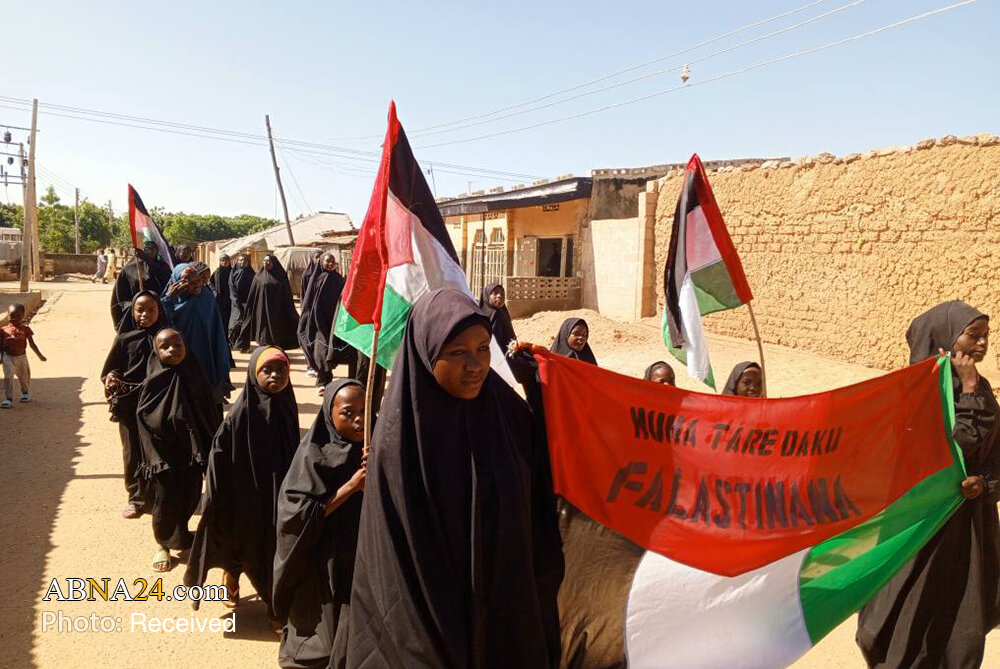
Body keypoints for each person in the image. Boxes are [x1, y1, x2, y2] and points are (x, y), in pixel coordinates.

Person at [344, 288, 563, 669]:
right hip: (428, 617)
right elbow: (395, 565)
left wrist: (539, 390)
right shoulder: (400, 441)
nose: (475, 365)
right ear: (427, 353)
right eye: (458, 352)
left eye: (482, 349)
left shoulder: (508, 416)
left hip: (503, 608)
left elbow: (546, 481)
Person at [857, 300, 1000, 669]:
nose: (982, 343)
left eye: (986, 335)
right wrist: (968, 390)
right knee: (902, 607)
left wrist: (985, 484)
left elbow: (992, 453)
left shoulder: (982, 390)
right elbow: (956, 446)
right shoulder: (918, 392)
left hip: (966, 529)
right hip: (922, 523)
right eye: (973, 335)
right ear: (945, 337)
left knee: (958, 617)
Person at [185, 346, 298, 629]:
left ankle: (274, 608)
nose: (275, 375)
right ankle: (234, 577)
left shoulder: (287, 405)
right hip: (243, 496)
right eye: (267, 370)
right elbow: (219, 455)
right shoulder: (240, 414)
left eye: (281, 370)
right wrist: (216, 495)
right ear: (253, 374)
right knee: (240, 543)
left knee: (272, 548)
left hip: (277, 493)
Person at [274, 379, 367, 669]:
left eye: (364, 411)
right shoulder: (313, 455)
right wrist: (351, 487)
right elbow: (296, 514)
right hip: (322, 552)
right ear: (330, 413)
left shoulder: (374, 446)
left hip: (362, 547)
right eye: (348, 413)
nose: (359, 419)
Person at [136, 328, 221, 572]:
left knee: (190, 494)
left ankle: (181, 535)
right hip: (164, 453)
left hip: (192, 452)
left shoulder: (196, 376)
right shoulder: (153, 382)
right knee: (165, 500)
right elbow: (144, 418)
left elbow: (209, 412)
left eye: (178, 345)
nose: (172, 350)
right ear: (156, 351)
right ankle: (163, 544)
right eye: (165, 347)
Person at [101, 291, 168, 518]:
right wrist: (111, 377)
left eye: (151, 310)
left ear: (159, 311)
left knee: (159, 450)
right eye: (140, 310)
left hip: (159, 404)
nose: (145, 314)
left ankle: (160, 495)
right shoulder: (124, 340)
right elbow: (110, 369)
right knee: (132, 451)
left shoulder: (167, 338)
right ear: (132, 311)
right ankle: (136, 497)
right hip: (130, 403)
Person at [161, 262, 233, 403]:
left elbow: (217, 333)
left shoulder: (207, 299)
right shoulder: (170, 302)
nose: (197, 285)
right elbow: (162, 326)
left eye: (198, 280)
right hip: (180, 360)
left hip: (205, 360)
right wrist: (168, 299)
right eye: (190, 282)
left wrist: (222, 364)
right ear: (177, 283)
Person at [302, 253, 348, 386]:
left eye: (332, 261)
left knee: (331, 349)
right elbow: (308, 302)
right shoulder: (315, 279)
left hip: (334, 320)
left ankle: (325, 377)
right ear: (321, 262)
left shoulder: (338, 279)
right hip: (318, 321)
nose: (330, 264)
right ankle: (323, 380)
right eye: (328, 261)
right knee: (321, 350)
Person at [238, 254, 300, 351]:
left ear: (273, 263)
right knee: (263, 331)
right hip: (261, 310)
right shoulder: (258, 277)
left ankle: (275, 349)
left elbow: (287, 294)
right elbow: (253, 295)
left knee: (275, 330)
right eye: (264, 261)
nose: (265, 263)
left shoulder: (281, 276)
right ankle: (264, 348)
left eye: (268, 261)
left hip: (276, 310)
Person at [110, 242, 172, 326]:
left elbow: (167, 283)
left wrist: (148, 260)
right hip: (136, 315)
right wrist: (135, 306)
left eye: (152, 248)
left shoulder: (163, 267)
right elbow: (120, 296)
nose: (149, 250)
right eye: (146, 248)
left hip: (158, 313)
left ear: (157, 251)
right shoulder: (129, 269)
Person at [1, 304, 46, 409]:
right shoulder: (3, 330)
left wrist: (40, 356)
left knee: (24, 377)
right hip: (7, 356)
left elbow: (32, 344)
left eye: (18, 316)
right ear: (8, 315)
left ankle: (25, 393)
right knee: (8, 376)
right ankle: (8, 399)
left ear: (22, 316)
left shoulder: (25, 329)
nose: (14, 318)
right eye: (12, 315)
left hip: (21, 357)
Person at [297, 250, 329, 375]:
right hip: (309, 312)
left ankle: (321, 366)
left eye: (320, 258)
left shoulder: (331, 276)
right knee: (304, 335)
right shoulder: (307, 275)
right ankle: (310, 364)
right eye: (316, 257)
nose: (317, 260)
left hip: (324, 314)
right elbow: (304, 295)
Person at [228, 254, 255, 352]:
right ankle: (231, 344)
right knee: (235, 324)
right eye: (240, 260)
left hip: (248, 303)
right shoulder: (233, 273)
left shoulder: (251, 273)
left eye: (244, 260)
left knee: (246, 325)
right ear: (237, 261)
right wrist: (236, 302)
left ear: (248, 262)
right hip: (236, 303)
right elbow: (232, 288)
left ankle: (244, 346)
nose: (242, 262)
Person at [480, 282, 517, 352]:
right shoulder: (480, 316)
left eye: (502, 294)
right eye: (495, 293)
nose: (499, 296)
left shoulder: (503, 312)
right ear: (487, 296)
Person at [209, 254, 233, 335]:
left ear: (229, 261)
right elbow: (210, 283)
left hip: (230, 299)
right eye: (222, 260)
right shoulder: (217, 272)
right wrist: (214, 292)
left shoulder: (232, 272)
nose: (224, 262)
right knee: (221, 318)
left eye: (226, 260)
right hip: (220, 299)